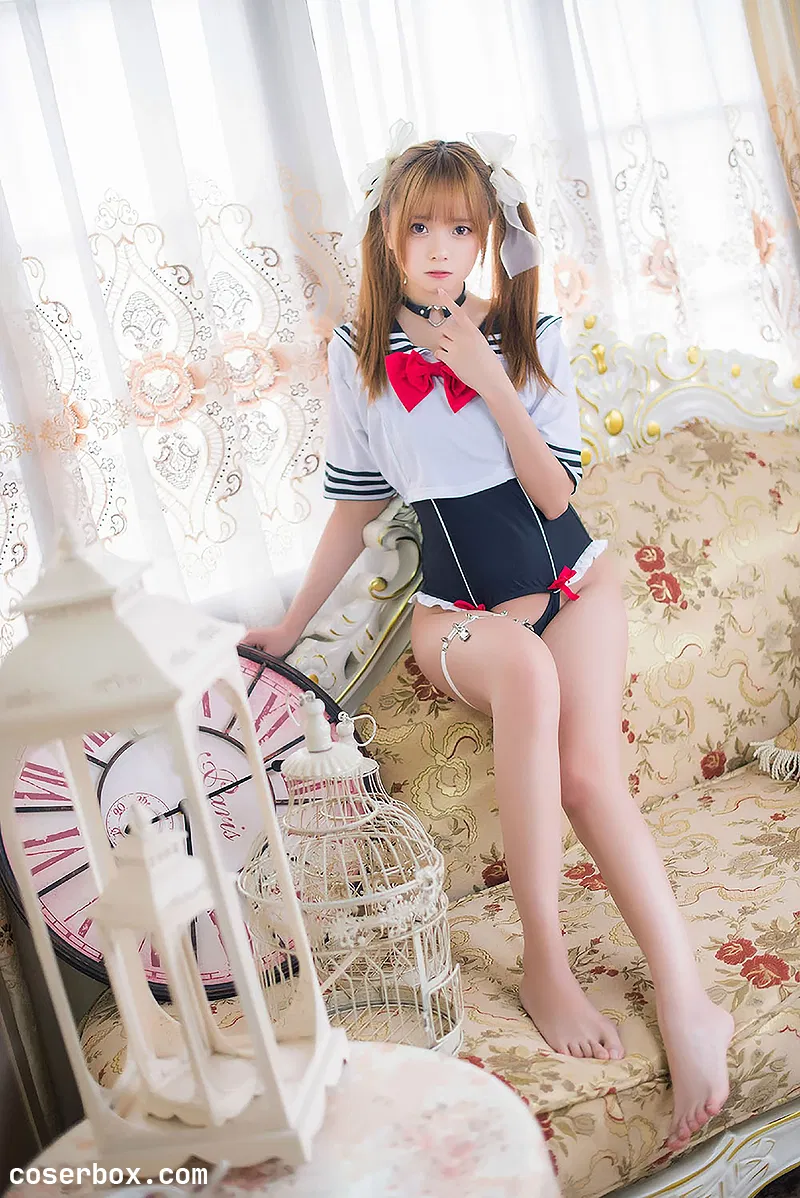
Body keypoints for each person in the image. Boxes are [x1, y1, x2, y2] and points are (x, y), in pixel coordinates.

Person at [243, 125, 734, 1152]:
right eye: (420, 226)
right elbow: (355, 507)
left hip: (572, 579)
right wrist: (292, 622)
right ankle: (545, 961)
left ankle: (686, 1000)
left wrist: (490, 372)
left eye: (461, 230)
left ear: (487, 238)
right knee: (520, 667)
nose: (440, 247)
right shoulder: (357, 354)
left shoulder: (526, 330)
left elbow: (554, 495)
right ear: (385, 233)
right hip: (457, 611)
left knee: (588, 778)